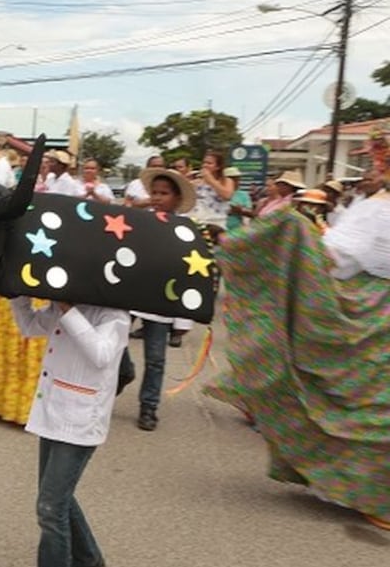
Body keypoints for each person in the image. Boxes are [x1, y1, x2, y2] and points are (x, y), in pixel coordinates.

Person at [206, 164, 390, 531]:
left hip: (376, 312)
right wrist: (297, 235)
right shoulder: (376, 206)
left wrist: (299, 237)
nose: (370, 170)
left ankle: (368, 492)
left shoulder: (378, 207)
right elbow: (336, 257)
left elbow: (334, 258)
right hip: (375, 312)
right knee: (370, 404)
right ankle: (368, 493)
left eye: (376, 163)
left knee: (369, 404)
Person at [7, 296, 130, 567]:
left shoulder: (114, 312)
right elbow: (31, 327)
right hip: (53, 409)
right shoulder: (65, 300)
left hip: (81, 420)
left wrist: (68, 310)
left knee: (50, 506)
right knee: (56, 497)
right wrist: (17, 297)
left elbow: (102, 355)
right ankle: (87, 558)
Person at [126, 166, 197, 430]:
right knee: (112, 344)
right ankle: (124, 374)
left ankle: (149, 406)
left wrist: (183, 319)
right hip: (131, 297)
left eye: (164, 193)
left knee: (155, 359)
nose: (157, 198)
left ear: (177, 198)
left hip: (162, 304)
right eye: (154, 192)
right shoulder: (139, 223)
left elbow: (190, 274)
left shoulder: (186, 231)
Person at [223, 166, 252, 233]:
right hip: (219, 229)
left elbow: (250, 212)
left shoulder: (243, 195)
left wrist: (240, 210)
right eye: (233, 179)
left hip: (237, 230)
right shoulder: (218, 192)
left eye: (237, 179)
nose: (236, 182)